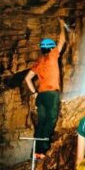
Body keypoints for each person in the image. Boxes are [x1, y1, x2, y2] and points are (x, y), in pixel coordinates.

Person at [24, 31, 65, 159]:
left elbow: (27, 79)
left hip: (40, 96)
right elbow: (62, 40)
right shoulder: (52, 56)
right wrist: (62, 26)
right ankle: (42, 151)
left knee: (41, 123)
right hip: (51, 94)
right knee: (51, 120)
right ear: (52, 48)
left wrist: (35, 93)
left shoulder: (38, 61)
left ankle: (35, 152)